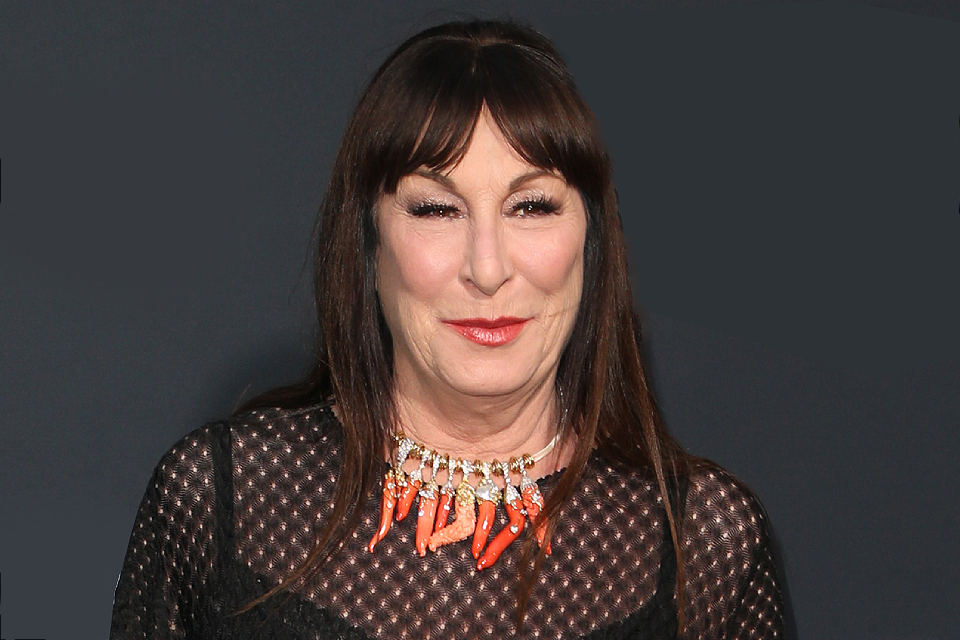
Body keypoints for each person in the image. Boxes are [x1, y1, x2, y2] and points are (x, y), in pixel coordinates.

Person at [110, 19, 784, 640]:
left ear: (592, 240)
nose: (487, 270)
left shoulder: (704, 542)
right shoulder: (222, 501)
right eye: (437, 210)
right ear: (370, 244)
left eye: (531, 206)